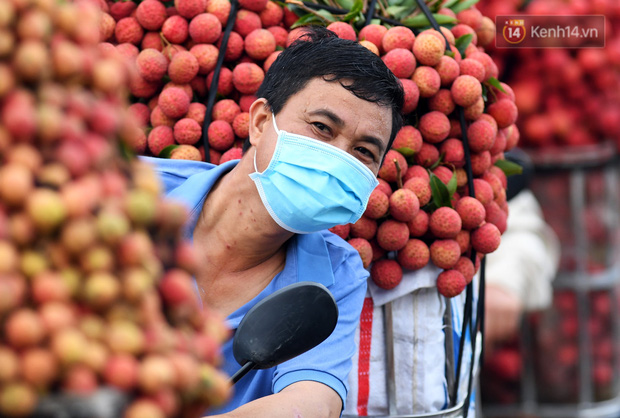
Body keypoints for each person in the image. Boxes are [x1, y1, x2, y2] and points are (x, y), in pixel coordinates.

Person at [142, 26, 405, 417]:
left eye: (364, 151)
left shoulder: (336, 275)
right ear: (261, 121)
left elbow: (312, 402)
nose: (338, 157)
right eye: (321, 127)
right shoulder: (128, 192)